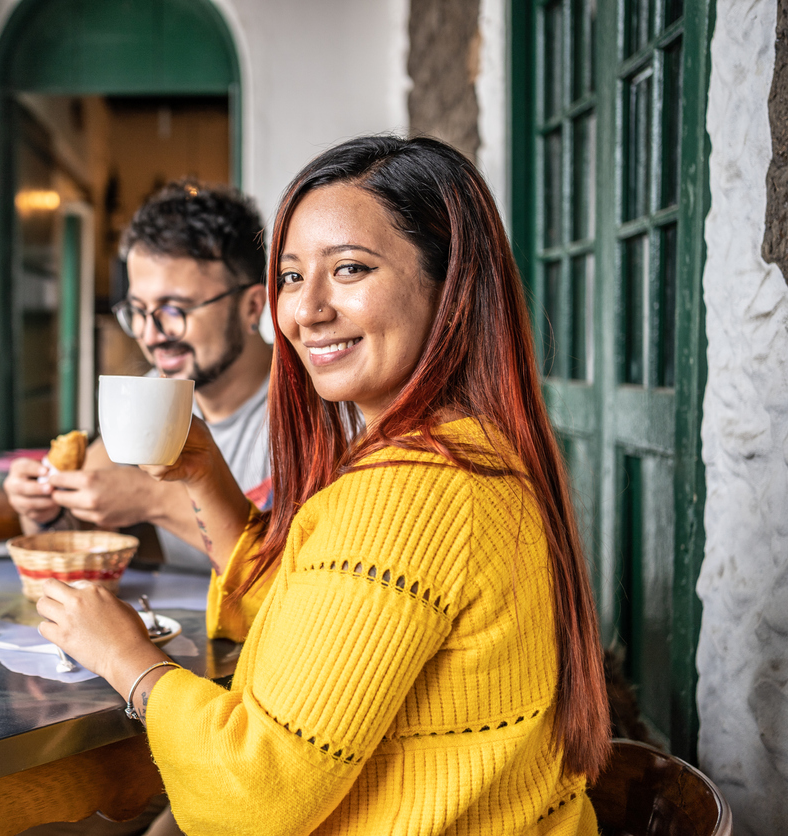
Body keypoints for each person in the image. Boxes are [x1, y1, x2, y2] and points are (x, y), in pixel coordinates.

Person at [35, 136, 612, 834]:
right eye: (291, 276)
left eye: (349, 269)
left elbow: (254, 793)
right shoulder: (469, 452)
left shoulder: (406, 492)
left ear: (449, 284)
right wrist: (204, 473)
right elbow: (315, 620)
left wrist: (125, 658)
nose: (305, 311)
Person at [4, 181, 273, 573]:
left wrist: (153, 499)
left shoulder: (323, 407)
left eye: (174, 310)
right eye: (138, 311)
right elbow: (72, 527)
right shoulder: (151, 394)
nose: (149, 334)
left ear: (252, 307)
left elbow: (297, 576)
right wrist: (43, 507)